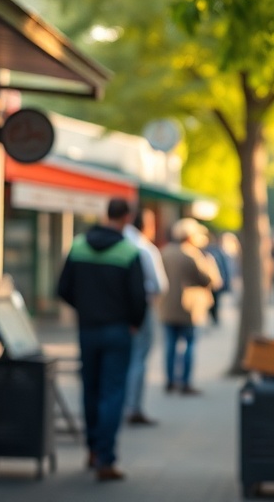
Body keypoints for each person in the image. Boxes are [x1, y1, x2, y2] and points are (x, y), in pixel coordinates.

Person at [57, 197, 146, 481]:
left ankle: (93, 449)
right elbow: (138, 297)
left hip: (87, 329)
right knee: (112, 393)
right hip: (118, 330)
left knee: (90, 390)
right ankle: (106, 458)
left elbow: (63, 288)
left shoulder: (79, 245)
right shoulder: (129, 251)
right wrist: (135, 322)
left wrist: (84, 308)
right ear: (127, 217)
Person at [159, 217, 222, 395]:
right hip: (189, 309)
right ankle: (185, 382)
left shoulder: (165, 252)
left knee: (170, 345)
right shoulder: (193, 255)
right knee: (188, 345)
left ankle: (170, 380)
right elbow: (208, 280)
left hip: (167, 307)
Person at [121, 206, 169, 426]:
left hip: (114, 311)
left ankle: (121, 404)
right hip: (141, 308)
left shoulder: (120, 243)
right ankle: (133, 407)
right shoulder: (145, 248)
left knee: (121, 359)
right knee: (138, 358)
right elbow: (159, 285)